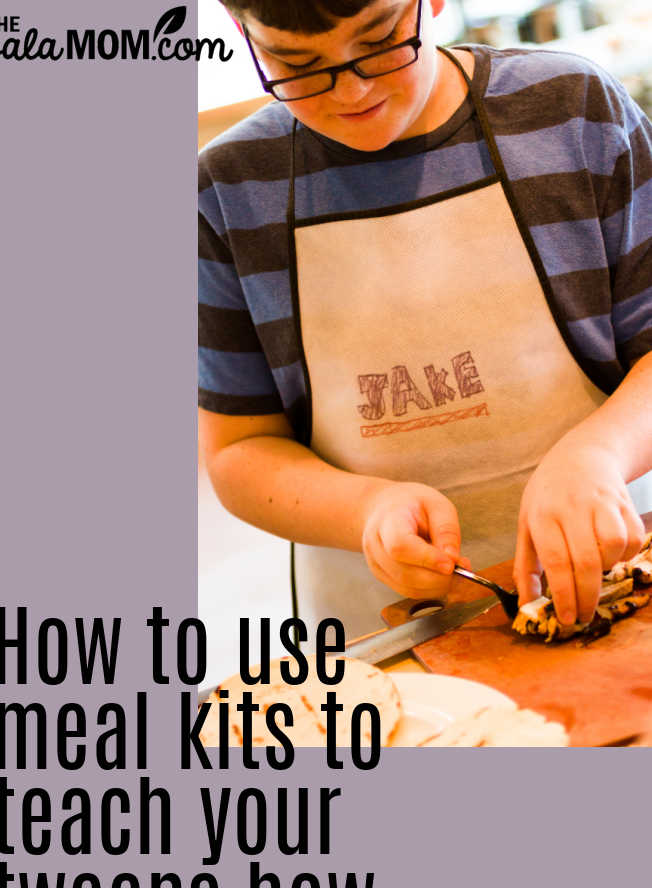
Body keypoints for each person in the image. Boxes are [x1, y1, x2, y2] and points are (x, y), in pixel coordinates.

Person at [198, 0, 652, 640]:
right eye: (296, 65)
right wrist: (364, 510)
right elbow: (238, 452)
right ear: (241, 28)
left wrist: (598, 453)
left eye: (381, 41)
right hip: (386, 628)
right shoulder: (228, 189)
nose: (352, 92)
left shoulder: (570, 111)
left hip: (613, 580)